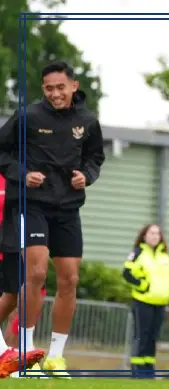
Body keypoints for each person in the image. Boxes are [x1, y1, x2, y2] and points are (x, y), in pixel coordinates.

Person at [0, 60, 105, 377]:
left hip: (68, 207)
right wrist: (23, 173)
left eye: (61, 87)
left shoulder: (88, 121)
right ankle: (24, 353)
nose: (55, 94)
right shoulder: (27, 116)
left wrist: (85, 176)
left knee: (70, 279)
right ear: (42, 90)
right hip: (30, 204)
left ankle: (56, 356)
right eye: (49, 88)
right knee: (35, 272)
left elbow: (95, 158)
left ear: (74, 85)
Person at [0, 175, 45, 378]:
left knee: (15, 301)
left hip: (9, 248)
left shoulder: (12, 176)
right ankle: (8, 358)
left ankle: (10, 357)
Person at [122, 224, 169, 379]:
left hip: (160, 301)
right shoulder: (138, 253)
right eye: (151, 233)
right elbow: (126, 273)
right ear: (144, 236)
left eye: (157, 234)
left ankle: (148, 369)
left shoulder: (164, 255)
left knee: (153, 336)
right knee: (141, 334)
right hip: (143, 300)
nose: (155, 236)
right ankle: (137, 368)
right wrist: (143, 286)